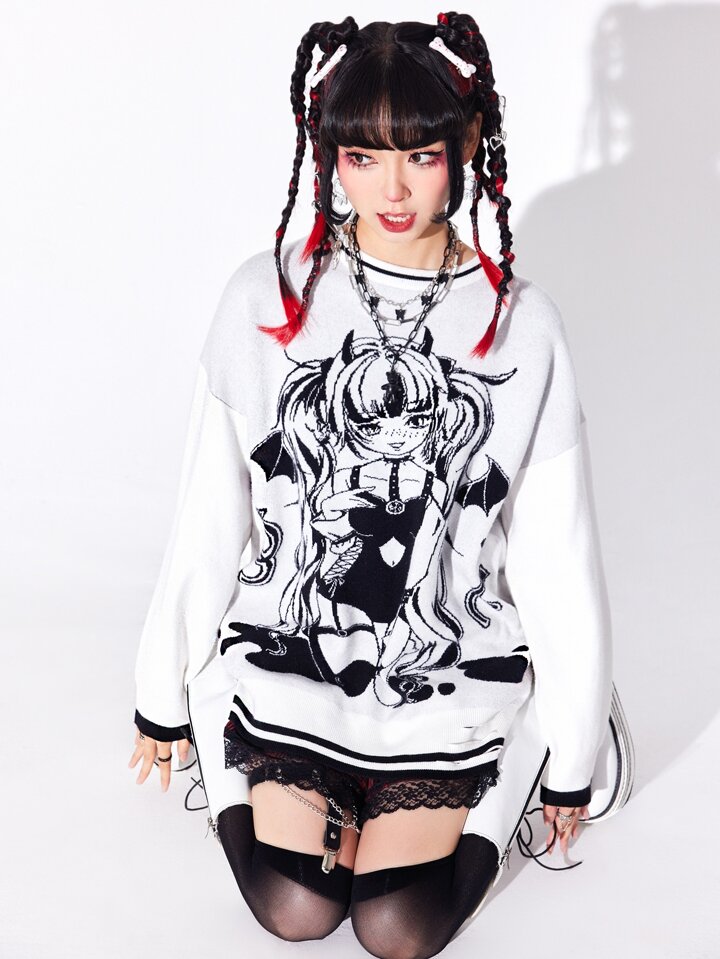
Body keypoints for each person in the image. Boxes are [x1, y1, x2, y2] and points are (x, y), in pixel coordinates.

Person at [128, 13, 613, 955]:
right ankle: (232, 717)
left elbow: (557, 550)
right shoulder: (265, 297)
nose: (391, 189)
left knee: (398, 926)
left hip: (448, 662)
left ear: (466, 144)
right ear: (328, 155)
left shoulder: (522, 326)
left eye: (420, 156)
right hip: (297, 655)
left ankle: (512, 762)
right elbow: (210, 509)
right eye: (361, 157)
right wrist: (164, 685)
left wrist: (574, 744)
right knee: (297, 907)